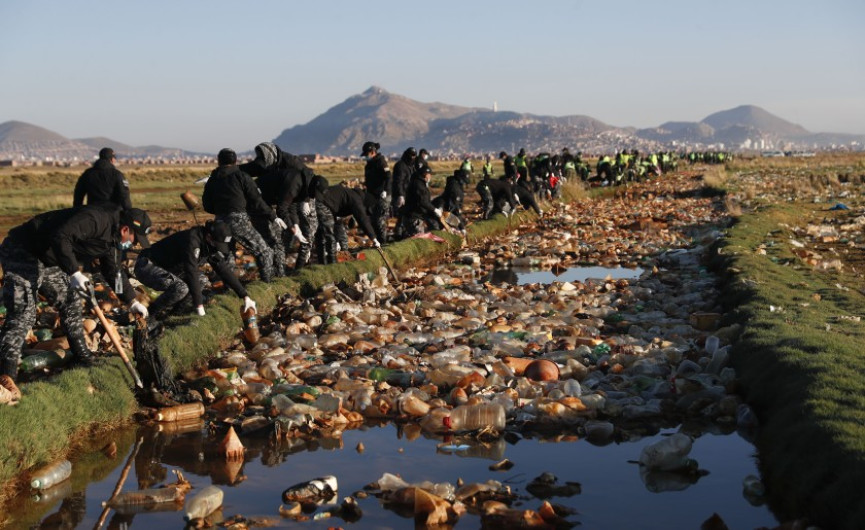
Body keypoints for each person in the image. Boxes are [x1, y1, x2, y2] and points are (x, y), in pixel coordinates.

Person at [0, 206, 151, 383]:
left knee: (70, 301)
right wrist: (74, 273)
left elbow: (114, 272)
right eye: (134, 240)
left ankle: (82, 356)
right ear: (126, 229)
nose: (133, 245)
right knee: (23, 312)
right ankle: (7, 374)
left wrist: (131, 300)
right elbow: (60, 236)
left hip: (48, 258)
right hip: (23, 250)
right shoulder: (95, 219)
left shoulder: (113, 241)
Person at [134, 220, 255, 319]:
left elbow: (223, 269)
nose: (218, 249)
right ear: (209, 237)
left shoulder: (209, 246)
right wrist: (199, 306)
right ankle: (150, 315)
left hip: (169, 268)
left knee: (202, 280)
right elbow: (190, 272)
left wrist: (244, 296)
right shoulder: (192, 241)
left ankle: (174, 315)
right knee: (181, 288)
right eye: (217, 245)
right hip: (147, 266)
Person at [202, 148, 282, 282]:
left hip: (219, 222)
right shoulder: (241, 176)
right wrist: (273, 216)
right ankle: (268, 284)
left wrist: (221, 211)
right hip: (238, 220)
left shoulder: (212, 179)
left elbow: (207, 205)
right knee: (264, 251)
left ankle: (229, 288)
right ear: (235, 161)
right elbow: (256, 200)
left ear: (219, 161)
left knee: (228, 257)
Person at [247, 142, 317, 271]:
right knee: (274, 235)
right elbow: (246, 168)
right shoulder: (264, 162)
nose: (262, 162)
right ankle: (278, 269)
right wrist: (222, 174)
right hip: (266, 198)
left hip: (298, 194)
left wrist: (306, 200)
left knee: (307, 227)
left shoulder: (291, 162)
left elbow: (309, 174)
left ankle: (297, 262)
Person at [311, 176, 380, 265]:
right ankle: (332, 265)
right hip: (321, 203)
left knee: (321, 235)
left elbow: (338, 222)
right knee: (329, 237)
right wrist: (373, 238)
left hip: (318, 202)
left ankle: (323, 263)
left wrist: (339, 241)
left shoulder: (347, 195)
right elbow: (362, 219)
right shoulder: (356, 200)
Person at [361, 141, 391, 243]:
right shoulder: (369, 164)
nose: (365, 156)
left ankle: (383, 243)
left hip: (382, 195)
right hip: (372, 195)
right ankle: (377, 241)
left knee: (379, 221)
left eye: (366, 154)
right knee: (373, 220)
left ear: (373, 152)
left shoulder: (380, 161)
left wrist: (385, 190)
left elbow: (388, 177)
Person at [401, 165, 441, 237]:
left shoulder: (419, 183)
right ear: (425, 174)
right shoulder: (419, 185)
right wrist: (434, 209)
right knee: (419, 239)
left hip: (415, 216)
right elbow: (423, 201)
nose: (430, 177)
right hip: (413, 217)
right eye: (429, 175)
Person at [391, 147, 416, 239]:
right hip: (402, 194)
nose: (412, 157)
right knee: (402, 216)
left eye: (414, 156)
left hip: (409, 194)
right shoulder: (401, 165)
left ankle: (404, 234)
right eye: (411, 155)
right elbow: (399, 181)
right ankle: (398, 235)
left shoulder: (411, 165)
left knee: (407, 216)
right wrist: (400, 195)